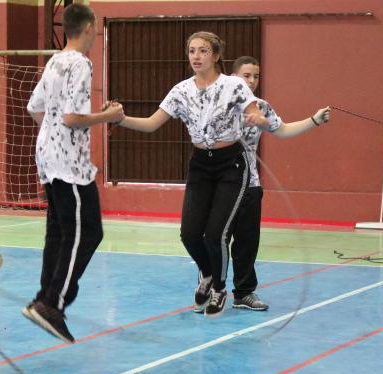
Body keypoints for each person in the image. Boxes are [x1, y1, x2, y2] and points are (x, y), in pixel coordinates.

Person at [118, 32, 268, 316]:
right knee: (189, 234)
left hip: (231, 164)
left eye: (202, 51)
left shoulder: (234, 85)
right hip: (201, 164)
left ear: (216, 55)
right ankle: (208, 274)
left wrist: (257, 118)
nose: (196, 56)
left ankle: (220, 290)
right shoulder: (180, 91)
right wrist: (121, 119)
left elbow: (253, 111)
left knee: (215, 234)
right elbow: (152, 124)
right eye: (191, 51)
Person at [21, 3, 124, 343]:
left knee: (60, 231)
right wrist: (106, 117)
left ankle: (43, 297)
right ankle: (54, 303)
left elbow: (35, 108)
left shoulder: (54, 60)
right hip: (69, 165)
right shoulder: (80, 63)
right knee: (87, 231)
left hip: (47, 158)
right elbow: (71, 118)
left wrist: (52, 138)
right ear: (90, 27)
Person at [229, 56, 331, 311]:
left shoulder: (261, 106)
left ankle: (244, 293)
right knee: (214, 240)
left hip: (250, 185)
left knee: (247, 242)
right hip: (220, 183)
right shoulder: (219, 102)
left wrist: (314, 120)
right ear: (233, 77)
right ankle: (210, 287)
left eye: (256, 76)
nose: (251, 81)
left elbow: (283, 130)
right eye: (246, 76)